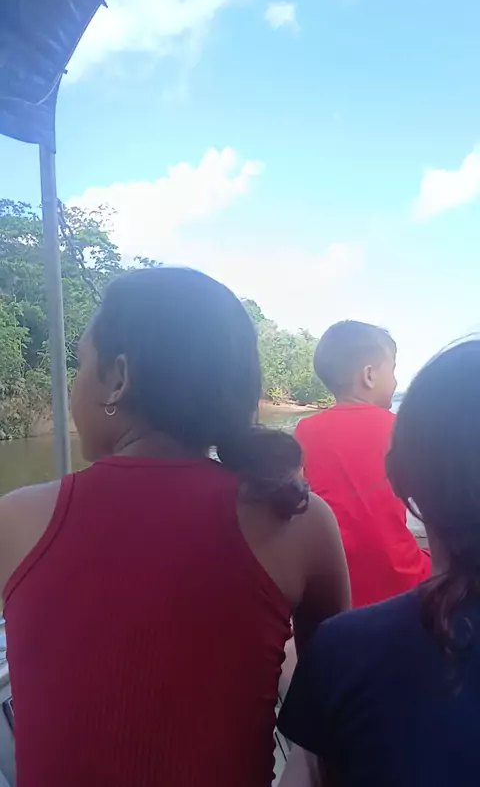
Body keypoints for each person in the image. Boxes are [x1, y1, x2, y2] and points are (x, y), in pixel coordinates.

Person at [0, 267, 350, 787]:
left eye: (80, 364)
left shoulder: (17, 520)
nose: (73, 387)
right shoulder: (299, 520)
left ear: (118, 377)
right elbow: (335, 704)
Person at [279, 340, 480, 786]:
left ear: (402, 476)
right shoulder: (386, 424)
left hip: (355, 596)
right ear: (369, 374)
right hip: (402, 575)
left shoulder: (341, 649)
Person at [295, 320, 430, 607]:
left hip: (334, 584)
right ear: (369, 375)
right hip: (402, 581)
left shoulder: (305, 431)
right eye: (392, 370)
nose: (395, 381)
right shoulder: (400, 428)